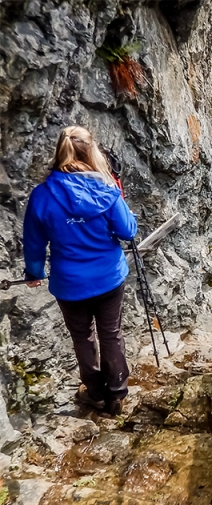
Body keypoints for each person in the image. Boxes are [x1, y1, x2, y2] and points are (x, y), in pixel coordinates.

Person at [23, 126, 138, 416]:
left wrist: (34, 272)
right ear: (92, 151)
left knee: (82, 337)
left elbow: (34, 243)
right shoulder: (107, 188)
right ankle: (116, 395)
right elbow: (127, 231)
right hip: (108, 276)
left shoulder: (42, 196)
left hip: (69, 283)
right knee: (111, 333)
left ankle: (95, 392)